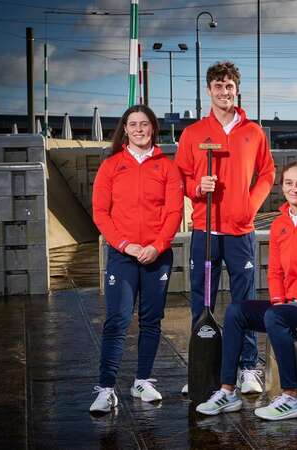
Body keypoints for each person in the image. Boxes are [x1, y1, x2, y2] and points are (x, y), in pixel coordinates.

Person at [195, 161, 297, 420]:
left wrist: (294, 302)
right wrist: (278, 301)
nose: (294, 189)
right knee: (236, 311)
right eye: (289, 183)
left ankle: (291, 396)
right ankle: (227, 390)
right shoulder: (280, 224)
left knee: (277, 316)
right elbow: (275, 271)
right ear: (282, 187)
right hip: (289, 307)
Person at [175, 61, 275, 395]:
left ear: (237, 89)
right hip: (205, 231)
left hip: (240, 231)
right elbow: (181, 177)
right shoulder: (192, 134)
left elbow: (267, 173)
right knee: (200, 300)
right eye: (218, 86)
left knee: (243, 302)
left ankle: (248, 367)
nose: (224, 92)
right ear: (209, 91)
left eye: (229, 86)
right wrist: (196, 186)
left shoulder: (253, 132)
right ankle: (202, 368)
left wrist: (249, 204)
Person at [90, 104, 183, 414]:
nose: (139, 129)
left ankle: (142, 380)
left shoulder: (167, 167)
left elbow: (174, 212)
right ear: (125, 130)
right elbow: (101, 213)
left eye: (145, 124)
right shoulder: (111, 166)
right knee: (117, 320)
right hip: (123, 256)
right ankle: (106, 389)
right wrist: (126, 245)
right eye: (133, 124)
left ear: (153, 128)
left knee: (151, 321)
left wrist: (157, 246)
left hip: (158, 256)